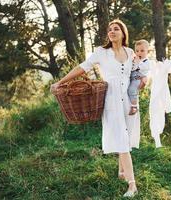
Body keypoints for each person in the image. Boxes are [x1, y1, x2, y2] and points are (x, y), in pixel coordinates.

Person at [50, 19, 146, 197]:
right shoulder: (102, 52)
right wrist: (61, 81)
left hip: (129, 100)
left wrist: (142, 84)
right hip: (111, 100)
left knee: (125, 136)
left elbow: (137, 74)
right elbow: (81, 68)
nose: (112, 31)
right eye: (109, 29)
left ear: (123, 33)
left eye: (116, 29)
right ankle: (132, 185)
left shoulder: (130, 51)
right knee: (121, 139)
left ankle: (121, 173)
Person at [128, 40, 150, 115]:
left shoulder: (147, 61)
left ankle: (134, 107)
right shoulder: (135, 59)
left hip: (138, 78)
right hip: (132, 77)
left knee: (132, 89)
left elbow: (143, 68)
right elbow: (132, 68)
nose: (139, 53)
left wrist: (138, 62)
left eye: (142, 51)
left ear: (147, 51)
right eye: (137, 51)